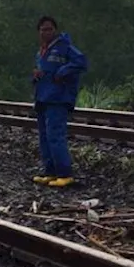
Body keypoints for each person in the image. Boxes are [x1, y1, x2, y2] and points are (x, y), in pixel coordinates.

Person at [32, 16, 88, 188]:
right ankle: (50, 171)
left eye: (49, 29)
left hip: (58, 98)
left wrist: (63, 71)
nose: (46, 32)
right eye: (43, 29)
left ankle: (65, 173)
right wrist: (36, 76)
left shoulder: (64, 47)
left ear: (54, 30)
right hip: (43, 97)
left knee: (55, 136)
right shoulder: (42, 51)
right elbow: (43, 71)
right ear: (39, 32)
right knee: (44, 136)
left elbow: (81, 62)